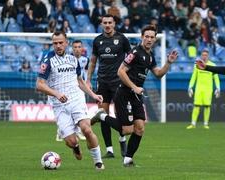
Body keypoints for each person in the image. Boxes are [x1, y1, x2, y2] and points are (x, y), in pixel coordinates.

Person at [91, 25, 178, 166]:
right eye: (147, 36)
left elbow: (158, 74)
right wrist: (134, 87)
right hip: (124, 93)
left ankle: (128, 159)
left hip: (136, 95)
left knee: (140, 128)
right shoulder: (135, 52)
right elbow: (121, 71)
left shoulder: (150, 57)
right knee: (126, 130)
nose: (149, 39)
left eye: (152, 37)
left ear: (155, 39)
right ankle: (101, 116)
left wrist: (168, 63)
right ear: (141, 37)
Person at [36, 31, 105, 170]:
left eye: (61, 43)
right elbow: (39, 84)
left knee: (86, 129)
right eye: (55, 43)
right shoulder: (48, 60)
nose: (58, 46)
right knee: (71, 141)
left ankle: (98, 163)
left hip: (76, 99)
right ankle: (76, 146)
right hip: (59, 105)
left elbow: (80, 81)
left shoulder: (74, 60)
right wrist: (56, 93)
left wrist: (93, 94)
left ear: (67, 43)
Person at [86, 14, 130, 159]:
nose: (107, 25)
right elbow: (92, 62)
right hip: (102, 82)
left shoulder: (122, 39)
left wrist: (128, 76)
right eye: (105, 22)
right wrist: (88, 80)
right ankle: (110, 150)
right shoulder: (97, 40)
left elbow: (131, 59)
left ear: (114, 24)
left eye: (110, 22)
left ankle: (122, 139)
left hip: (118, 82)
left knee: (119, 114)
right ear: (101, 24)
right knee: (103, 115)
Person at [55, 40, 88, 142]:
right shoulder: (68, 59)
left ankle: (78, 130)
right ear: (72, 48)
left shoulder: (85, 60)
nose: (77, 49)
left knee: (80, 109)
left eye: (79, 47)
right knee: (67, 111)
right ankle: (61, 131)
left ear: (82, 48)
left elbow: (85, 73)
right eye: (75, 47)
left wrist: (87, 83)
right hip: (70, 87)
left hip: (80, 86)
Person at [187, 50, 220, 129]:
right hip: (199, 89)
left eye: (206, 55)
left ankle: (205, 124)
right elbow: (193, 77)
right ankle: (193, 124)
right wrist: (190, 87)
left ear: (208, 56)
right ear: (201, 56)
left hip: (208, 89)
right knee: (196, 105)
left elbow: (216, 78)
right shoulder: (197, 65)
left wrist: (218, 87)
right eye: (203, 55)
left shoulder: (212, 65)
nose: (204, 56)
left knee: (207, 106)